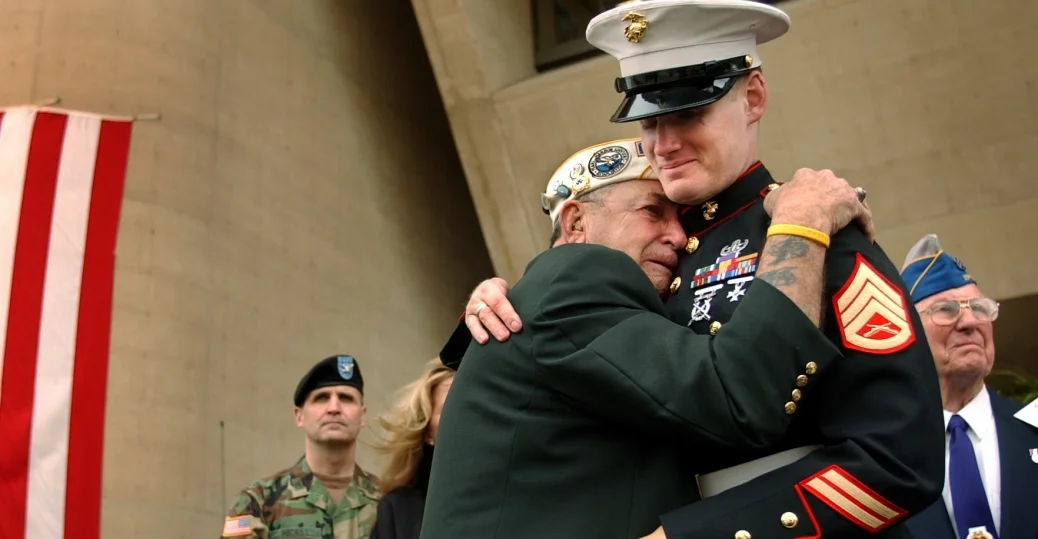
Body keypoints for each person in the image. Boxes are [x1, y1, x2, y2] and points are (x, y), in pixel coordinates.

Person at [450, 1, 946, 537]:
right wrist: (507, 295)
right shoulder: (647, 251)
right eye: (650, 120)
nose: (664, 145)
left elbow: (900, 460)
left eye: (689, 114)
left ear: (752, 97)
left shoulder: (815, 234)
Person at [421, 137, 871, 539]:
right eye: (652, 211)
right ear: (575, 223)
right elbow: (739, 395)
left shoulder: (550, 300)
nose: (678, 236)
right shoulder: (574, 279)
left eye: (682, 220)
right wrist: (800, 223)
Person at [899, 235, 1038, 539]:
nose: (970, 321)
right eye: (946, 309)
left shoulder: (1033, 430)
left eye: (979, 307)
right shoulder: (885, 455)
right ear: (909, 334)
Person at [222, 355, 380, 539]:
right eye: (321, 398)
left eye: (346, 398)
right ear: (299, 416)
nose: (334, 408)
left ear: (363, 416)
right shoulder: (259, 501)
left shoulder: (389, 502)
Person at [369, 357, 455, 539]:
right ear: (428, 434)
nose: (467, 419)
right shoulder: (397, 512)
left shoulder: (520, 500)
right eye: (452, 409)